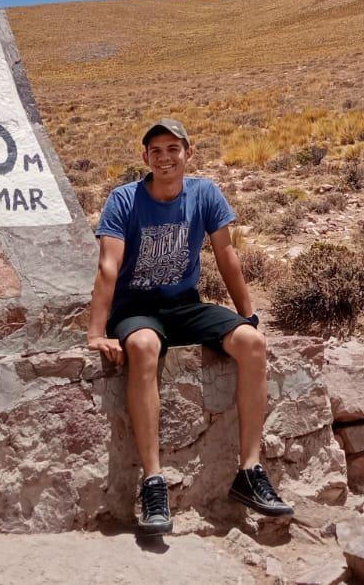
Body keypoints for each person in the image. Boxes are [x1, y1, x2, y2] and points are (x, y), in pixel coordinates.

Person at [87, 118, 293, 535]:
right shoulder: (124, 200)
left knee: (252, 343)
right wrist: (97, 332)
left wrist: (247, 314)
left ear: (188, 153)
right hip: (136, 307)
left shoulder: (205, 193)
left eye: (173, 149)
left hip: (183, 305)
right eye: (156, 151)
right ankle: (153, 480)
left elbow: (227, 255)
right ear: (145, 158)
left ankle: (249, 472)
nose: (165, 158)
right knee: (143, 346)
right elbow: (108, 265)